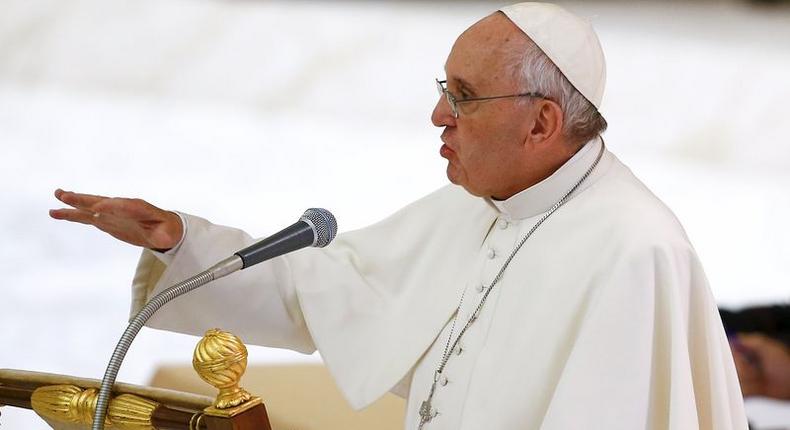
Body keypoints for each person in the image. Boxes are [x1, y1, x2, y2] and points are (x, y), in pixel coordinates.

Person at [50, 3, 748, 429]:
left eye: (466, 96)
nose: (439, 115)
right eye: (446, 88)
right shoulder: (477, 205)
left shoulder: (634, 251)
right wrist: (182, 242)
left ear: (541, 123)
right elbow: (325, 291)